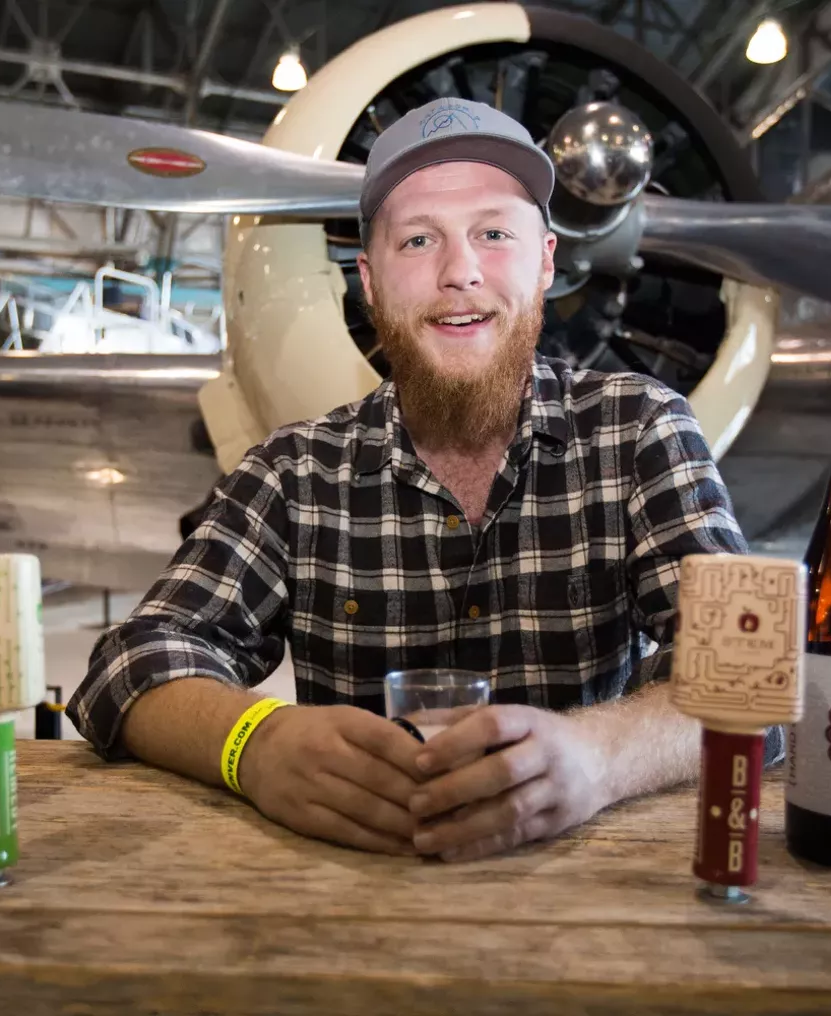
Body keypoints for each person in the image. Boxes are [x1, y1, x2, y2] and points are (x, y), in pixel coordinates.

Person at [68, 97, 760, 863]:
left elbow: (748, 676)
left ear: (548, 262)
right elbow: (131, 663)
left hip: (596, 908)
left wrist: (601, 757)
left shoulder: (640, 430)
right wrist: (251, 744)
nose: (459, 271)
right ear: (369, 280)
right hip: (352, 900)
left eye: (494, 234)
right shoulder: (294, 470)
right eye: (418, 240)